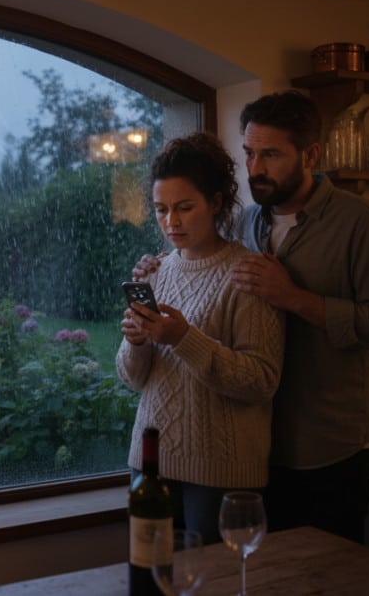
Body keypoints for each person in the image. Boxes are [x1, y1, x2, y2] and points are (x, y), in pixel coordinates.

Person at [133, 91, 369, 543]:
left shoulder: (361, 223)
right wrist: (161, 266)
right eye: (248, 153)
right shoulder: (248, 222)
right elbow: (206, 264)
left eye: (271, 155)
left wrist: (295, 297)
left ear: (311, 155)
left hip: (329, 444)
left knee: (325, 579)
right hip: (257, 445)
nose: (256, 168)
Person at [117, 132, 284, 545]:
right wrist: (135, 341)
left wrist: (184, 338)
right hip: (150, 461)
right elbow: (133, 379)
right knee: (149, 581)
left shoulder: (248, 274)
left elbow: (262, 380)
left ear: (215, 203)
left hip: (220, 472)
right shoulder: (155, 270)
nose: (171, 222)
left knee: (212, 586)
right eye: (160, 210)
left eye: (184, 208)